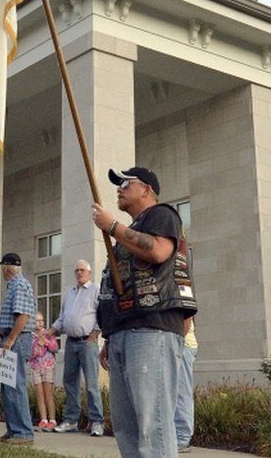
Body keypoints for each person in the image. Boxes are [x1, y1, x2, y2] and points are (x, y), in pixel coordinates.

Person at [93, 166, 197, 457]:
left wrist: (112, 225)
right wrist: (110, 337)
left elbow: (159, 251)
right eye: (118, 184)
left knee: (153, 425)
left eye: (126, 183)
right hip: (124, 331)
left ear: (147, 189)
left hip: (153, 330)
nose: (119, 188)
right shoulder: (132, 230)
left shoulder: (162, 215)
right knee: (128, 426)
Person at [47, 259, 105, 436]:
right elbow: (63, 318)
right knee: (70, 382)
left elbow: (101, 315)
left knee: (91, 384)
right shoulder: (71, 293)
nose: (79, 273)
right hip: (71, 342)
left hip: (87, 342)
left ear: (89, 273)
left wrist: (94, 335)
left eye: (82, 270)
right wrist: (50, 331)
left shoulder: (95, 290)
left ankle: (97, 422)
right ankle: (71, 421)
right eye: (77, 270)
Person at [0, 252, 36, 446]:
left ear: (6, 268)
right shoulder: (16, 285)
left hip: (16, 339)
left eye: (2, 267)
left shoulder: (19, 285)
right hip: (13, 339)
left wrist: (10, 340)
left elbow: (23, 316)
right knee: (8, 385)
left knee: (15, 384)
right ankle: (13, 430)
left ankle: (23, 432)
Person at [28, 312, 58, 432]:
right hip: (36, 367)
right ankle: (43, 419)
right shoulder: (30, 336)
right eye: (37, 321)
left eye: (41, 320)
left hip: (48, 366)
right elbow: (31, 354)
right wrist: (38, 344)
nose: (40, 323)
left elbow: (55, 347)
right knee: (39, 394)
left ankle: (52, 420)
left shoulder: (48, 333)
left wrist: (45, 342)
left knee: (48, 393)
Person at [176, 319, 198, 453]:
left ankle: (182, 438)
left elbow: (187, 318)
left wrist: (178, 342)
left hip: (183, 345)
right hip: (175, 344)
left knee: (181, 392)